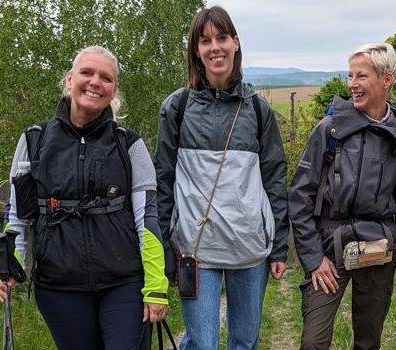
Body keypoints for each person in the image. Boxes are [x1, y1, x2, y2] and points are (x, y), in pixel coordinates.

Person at [0, 45, 168, 349]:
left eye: (106, 77)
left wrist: (156, 286)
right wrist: (12, 264)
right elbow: (17, 216)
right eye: (87, 72)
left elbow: (147, 220)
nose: (95, 82)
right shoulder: (34, 140)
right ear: (70, 78)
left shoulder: (129, 145)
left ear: (114, 91)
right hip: (60, 287)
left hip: (124, 283)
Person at [153, 6, 289, 350]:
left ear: (236, 43)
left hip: (250, 248)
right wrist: (166, 248)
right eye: (205, 40)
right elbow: (162, 181)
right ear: (196, 51)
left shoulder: (258, 109)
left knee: (244, 342)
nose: (215, 47)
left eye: (222, 38)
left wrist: (279, 247)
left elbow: (274, 177)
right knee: (202, 343)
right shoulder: (177, 107)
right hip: (196, 250)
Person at [288, 43, 396, 350]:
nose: (352, 84)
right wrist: (313, 260)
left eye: (361, 76)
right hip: (328, 247)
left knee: (368, 343)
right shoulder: (329, 129)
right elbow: (300, 197)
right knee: (314, 342)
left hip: (379, 248)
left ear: (386, 79)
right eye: (350, 75)